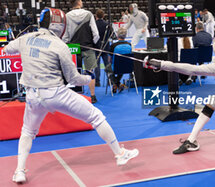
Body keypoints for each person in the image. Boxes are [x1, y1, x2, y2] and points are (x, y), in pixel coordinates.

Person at [7, 8, 139, 184]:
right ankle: (120, 154)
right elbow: (73, 79)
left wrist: (23, 41)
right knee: (96, 117)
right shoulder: (60, 46)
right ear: (59, 26)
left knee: (28, 131)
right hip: (55, 94)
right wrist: (88, 77)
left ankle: (19, 171)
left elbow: (8, 49)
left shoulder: (25, 39)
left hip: (32, 95)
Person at [63, 0, 100, 103]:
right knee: (90, 72)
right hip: (88, 47)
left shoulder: (67, 16)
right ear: (79, 2)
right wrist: (93, 44)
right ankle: (92, 96)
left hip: (73, 48)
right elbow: (95, 33)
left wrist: (67, 45)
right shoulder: (88, 14)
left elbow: (65, 35)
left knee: (73, 72)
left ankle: (74, 96)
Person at [94, 9, 113, 87]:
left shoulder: (94, 24)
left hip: (96, 46)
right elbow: (111, 35)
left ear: (96, 16)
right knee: (107, 64)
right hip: (105, 47)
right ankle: (110, 80)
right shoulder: (107, 24)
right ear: (103, 16)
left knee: (97, 65)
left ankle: (97, 81)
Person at [109, 28, 130, 93]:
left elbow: (109, 59)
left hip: (116, 67)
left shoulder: (113, 45)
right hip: (128, 67)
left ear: (117, 35)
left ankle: (116, 84)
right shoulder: (129, 45)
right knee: (121, 68)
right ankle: (118, 84)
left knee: (108, 69)